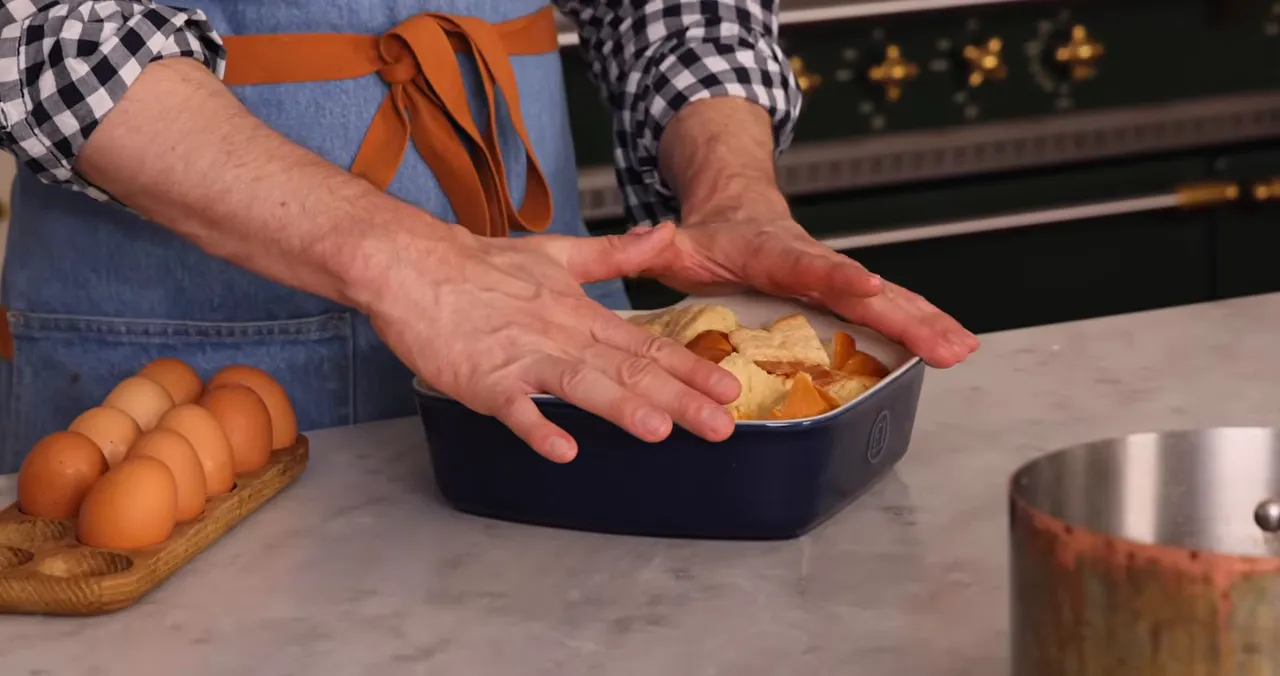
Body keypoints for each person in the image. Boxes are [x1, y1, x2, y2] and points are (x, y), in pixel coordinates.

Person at [0, 0, 978, 475]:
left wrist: (731, 192)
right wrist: (401, 257)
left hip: (554, 331)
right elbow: (47, 32)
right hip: (157, 354)